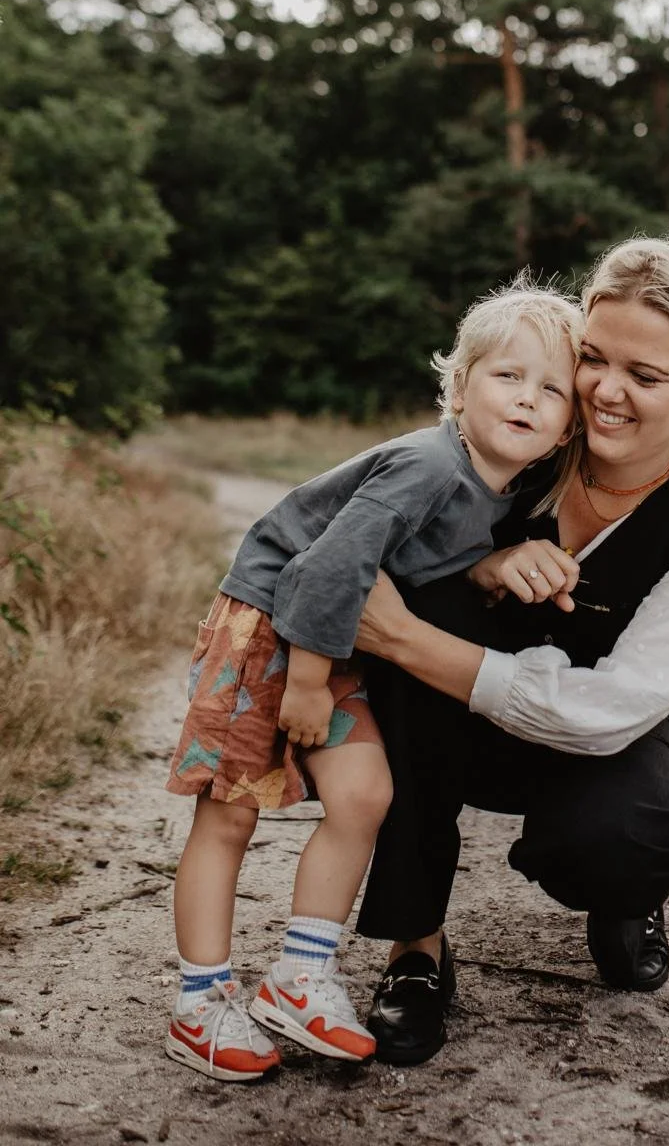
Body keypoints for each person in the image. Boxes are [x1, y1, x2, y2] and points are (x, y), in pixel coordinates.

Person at [351, 214, 669, 1065]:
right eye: (594, 358)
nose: (604, 390)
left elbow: (610, 709)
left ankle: (627, 898)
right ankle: (415, 949)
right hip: (480, 702)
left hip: (633, 720)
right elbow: (382, 543)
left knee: (609, 842)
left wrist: (403, 640)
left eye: (645, 374)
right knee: (411, 651)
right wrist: (481, 566)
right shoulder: (523, 440)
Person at [163, 279, 582, 1082]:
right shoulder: (428, 466)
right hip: (269, 630)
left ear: (567, 427)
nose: (527, 397)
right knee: (230, 815)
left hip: (334, 645)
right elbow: (321, 571)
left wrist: (490, 564)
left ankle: (299, 976)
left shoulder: (501, 492)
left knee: (364, 796)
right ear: (459, 389)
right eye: (507, 376)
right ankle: (200, 1002)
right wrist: (307, 685)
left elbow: (429, 560)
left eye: (551, 389)